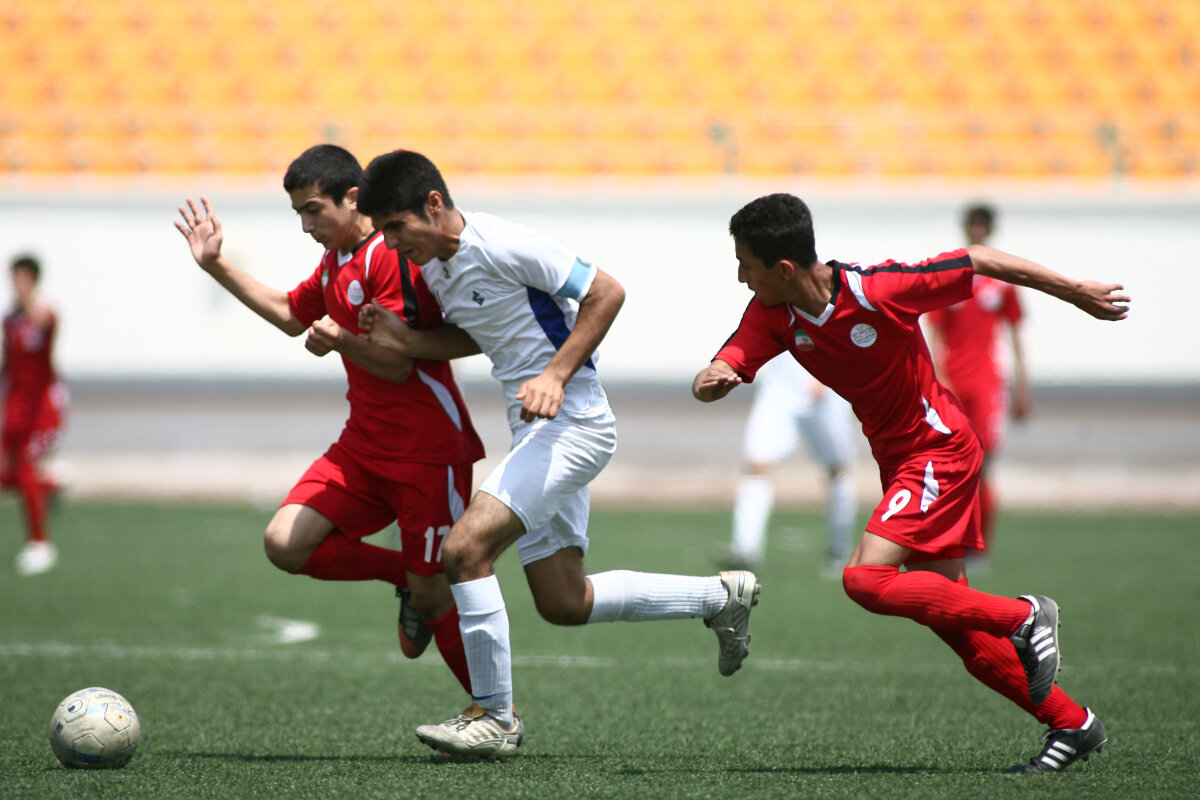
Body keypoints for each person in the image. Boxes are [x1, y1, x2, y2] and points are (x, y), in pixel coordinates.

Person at [693, 193, 1129, 773]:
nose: (740, 277)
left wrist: (1075, 291)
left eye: (745, 264)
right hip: (902, 464)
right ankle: (1073, 724)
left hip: (938, 452)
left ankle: (1024, 616)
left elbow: (978, 259)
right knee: (957, 626)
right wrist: (716, 374)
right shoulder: (774, 313)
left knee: (864, 580)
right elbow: (731, 358)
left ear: (785, 269)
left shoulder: (879, 290)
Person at [354, 149, 761, 760]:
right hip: (536, 429)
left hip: (574, 424)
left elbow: (606, 292)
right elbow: (484, 330)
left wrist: (555, 374)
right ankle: (720, 598)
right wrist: (407, 339)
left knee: (463, 551)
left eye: (395, 226)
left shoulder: (502, 242)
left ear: (433, 205)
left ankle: (495, 717)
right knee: (563, 601)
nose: (390, 242)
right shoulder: (433, 266)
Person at [173, 144, 485, 700]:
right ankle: (406, 574)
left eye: (313, 210)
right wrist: (215, 265)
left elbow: (399, 364)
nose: (305, 225)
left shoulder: (391, 255)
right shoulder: (337, 260)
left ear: (353, 198)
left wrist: (342, 340)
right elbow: (291, 314)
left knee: (435, 597)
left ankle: (495, 713)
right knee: (284, 543)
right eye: (299, 213)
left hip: (426, 452)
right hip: (363, 447)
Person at [925, 203, 1030, 560]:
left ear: (990, 229)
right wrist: (939, 381)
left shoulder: (1002, 280)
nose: (977, 230)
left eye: (982, 225)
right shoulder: (951, 275)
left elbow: (1014, 334)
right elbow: (935, 333)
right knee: (951, 464)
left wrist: (1022, 387)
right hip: (954, 384)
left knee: (985, 464)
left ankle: (978, 545)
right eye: (973, 224)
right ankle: (952, 540)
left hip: (988, 386)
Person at [722, 353, 857, 576]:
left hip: (826, 389)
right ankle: (746, 549)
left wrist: (826, 375)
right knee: (757, 464)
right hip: (782, 388)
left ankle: (839, 551)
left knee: (836, 469)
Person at [3, 254, 68, 576]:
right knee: (8, 474)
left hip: (42, 409)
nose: (17, 283)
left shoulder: (44, 315)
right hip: (15, 408)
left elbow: (44, 326)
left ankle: (41, 544)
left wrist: (28, 299)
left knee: (25, 467)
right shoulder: (10, 321)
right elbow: (8, 364)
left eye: (23, 277)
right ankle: (52, 483)